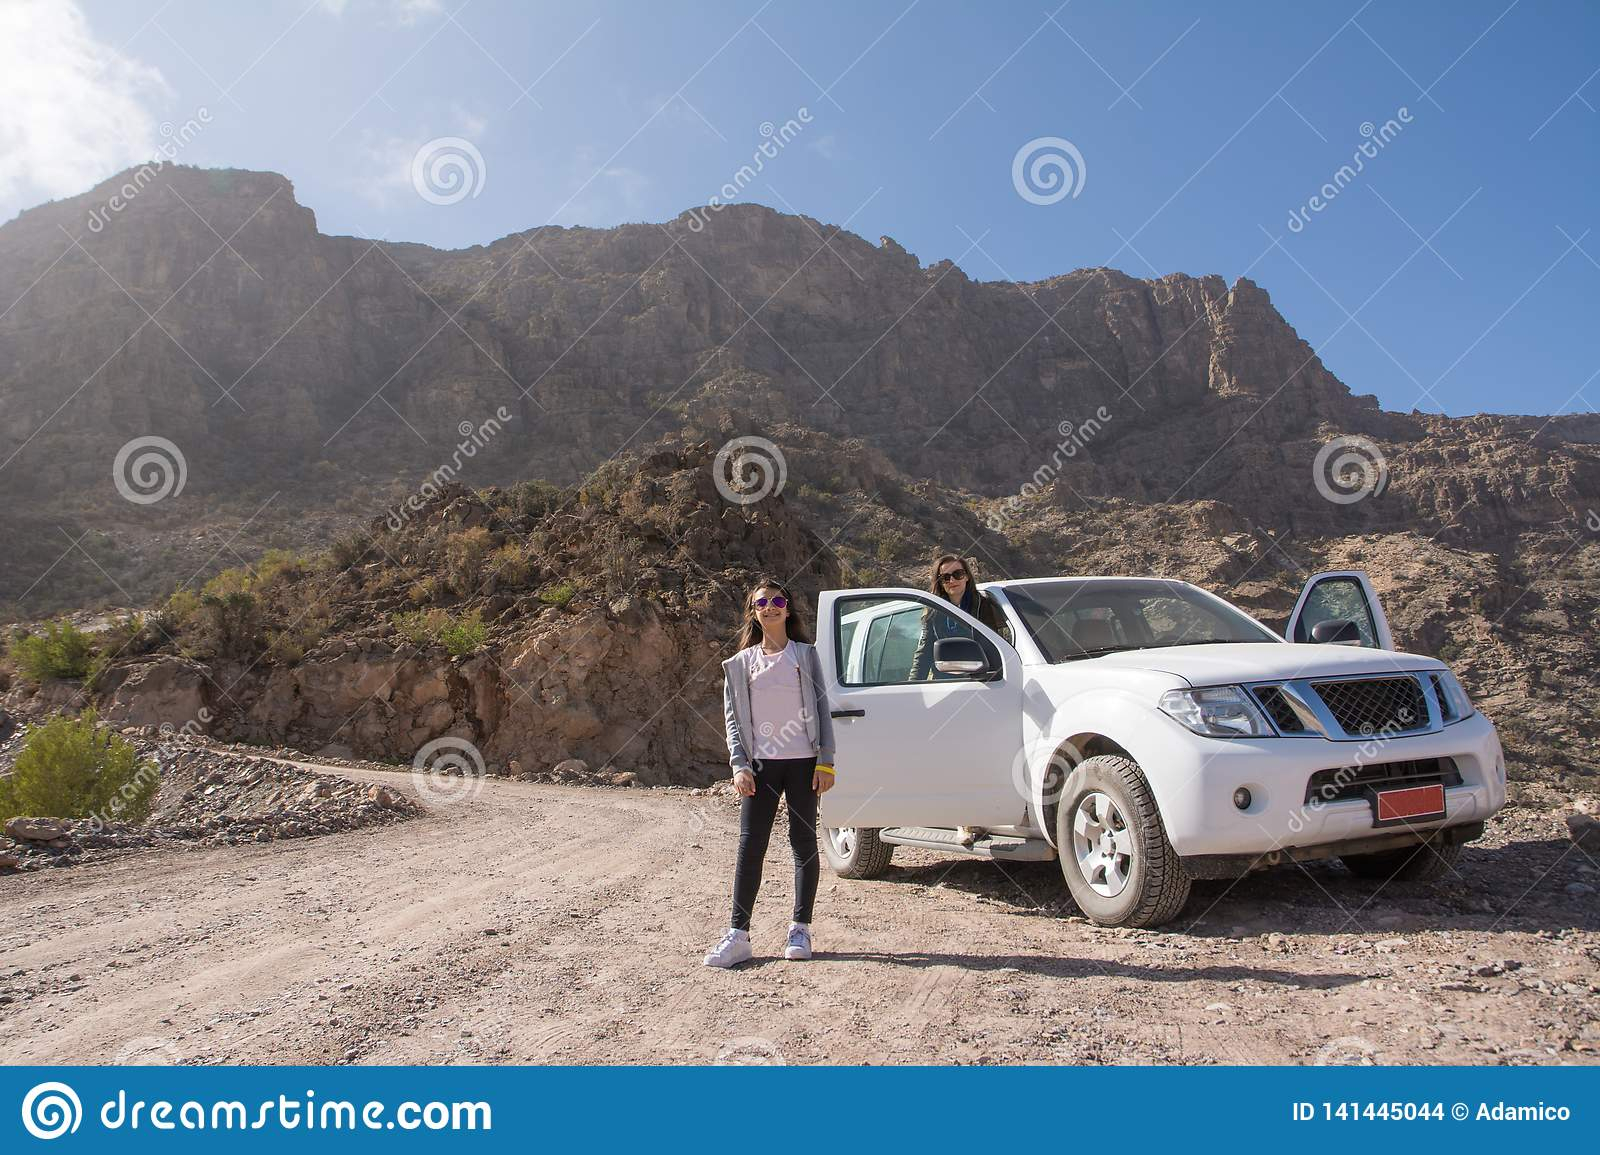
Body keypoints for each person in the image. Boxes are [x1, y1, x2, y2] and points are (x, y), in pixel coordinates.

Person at [704, 577, 836, 968]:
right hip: (760, 767)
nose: (771, 606)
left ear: (789, 608)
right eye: (763, 602)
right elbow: (732, 720)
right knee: (750, 846)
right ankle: (739, 935)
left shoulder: (806, 655)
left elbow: (823, 710)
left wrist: (826, 760)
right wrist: (739, 764)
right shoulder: (740, 664)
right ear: (754, 612)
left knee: (802, 841)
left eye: (778, 600)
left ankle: (800, 928)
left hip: (802, 764)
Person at [908, 552, 1006, 845]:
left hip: (983, 688)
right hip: (946, 692)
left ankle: (994, 811)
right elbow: (924, 651)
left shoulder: (983, 605)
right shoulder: (933, 610)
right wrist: (912, 689)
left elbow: (998, 643)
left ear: (967, 576)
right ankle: (965, 821)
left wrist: (1000, 675)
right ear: (939, 582)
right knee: (957, 757)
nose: (953, 581)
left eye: (958, 574)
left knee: (985, 753)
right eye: (945, 577)